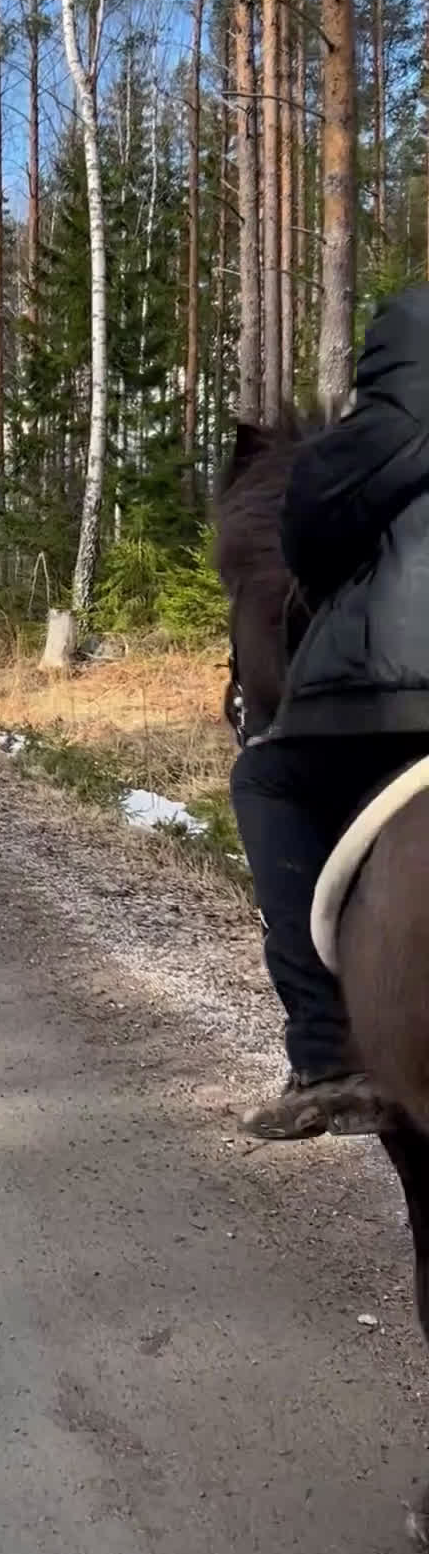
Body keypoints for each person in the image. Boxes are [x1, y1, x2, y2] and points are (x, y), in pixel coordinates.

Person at [231, 283, 429, 1141]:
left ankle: (325, 1050)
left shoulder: (363, 443)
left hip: (390, 700)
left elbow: (304, 557)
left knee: (264, 780)